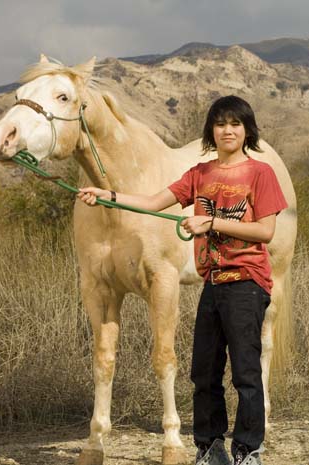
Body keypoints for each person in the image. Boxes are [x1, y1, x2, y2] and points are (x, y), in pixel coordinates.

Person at [77, 95, 288, 465]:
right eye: (221, 124)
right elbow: (153, 201)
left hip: (246, 282)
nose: (227, 130)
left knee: (245, 372)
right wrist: (106, 195)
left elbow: (266, 231)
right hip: (214, 282)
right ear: (211, 130)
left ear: (246, 131)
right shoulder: (200, 175)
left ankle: (247, 450)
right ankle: (209, 448)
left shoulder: (261, 174)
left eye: (235, 124)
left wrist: (210, 223)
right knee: (203, 372)